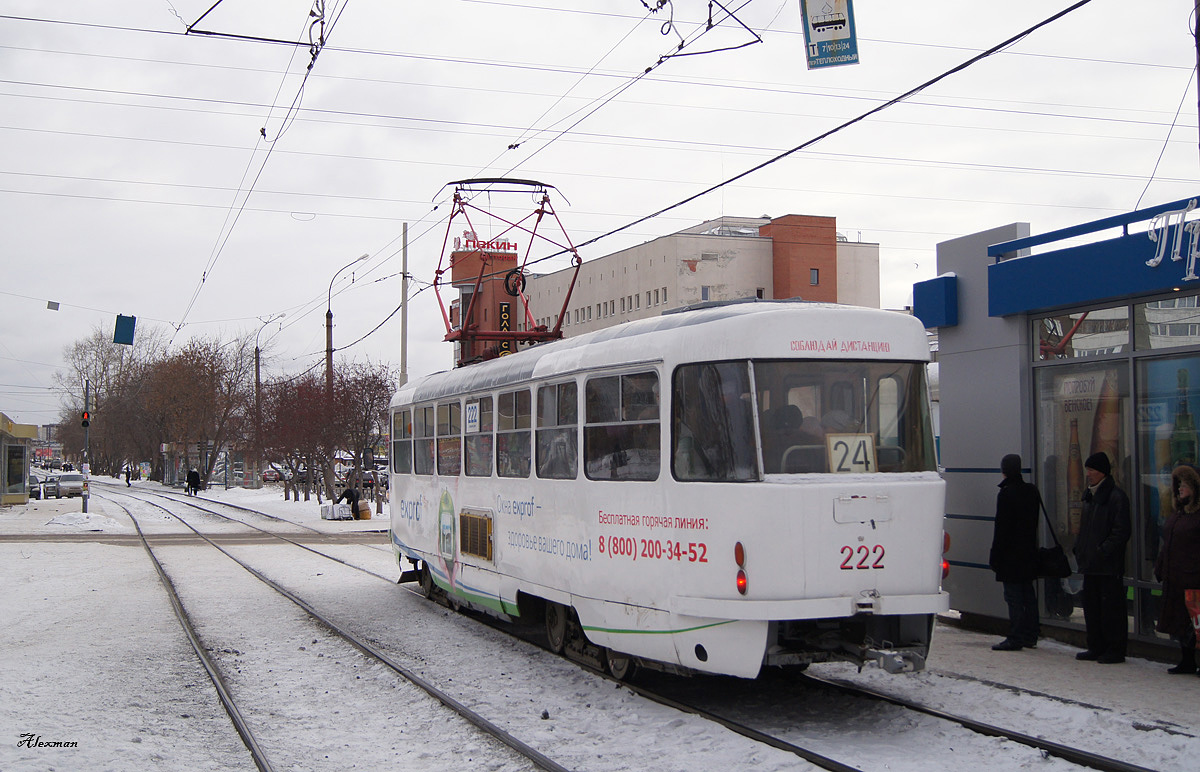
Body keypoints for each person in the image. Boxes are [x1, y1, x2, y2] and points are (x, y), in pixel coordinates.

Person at [1072, 452, 1132, 664]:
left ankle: (1114, 648)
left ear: (1103, 472)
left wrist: (1102, 551)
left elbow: (1121, 531)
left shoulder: (1116, 497)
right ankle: (1096, 646)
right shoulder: (1089, 496)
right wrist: (1079, 548)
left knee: (1111, 609)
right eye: (1087, 470)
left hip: (1107, 565)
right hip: (1091, 563)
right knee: (1092, 607)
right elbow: (1085, 529)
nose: (1088, 474)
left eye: (1092, 470)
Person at [988, 454, 1041, 651]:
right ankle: (1030, 634)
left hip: (1010, 555)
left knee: (1014, 597)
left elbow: (1001, 529)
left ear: (1004, 470)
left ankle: (1016, 636)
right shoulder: (1031, 491)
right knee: (1028, 594)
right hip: (1028, 553)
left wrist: (995, 555)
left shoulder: (1007, 494)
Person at [1154, 464, 1200, 675]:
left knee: (1196, 621)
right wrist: (1161, 565)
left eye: (1185, 484)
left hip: (1193, 577)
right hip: (1176, 576)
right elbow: (1168, 542)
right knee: (1182, 622)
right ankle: (1187, 660)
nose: (1180, 488)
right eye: (1178, 484)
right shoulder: (1179, 513)